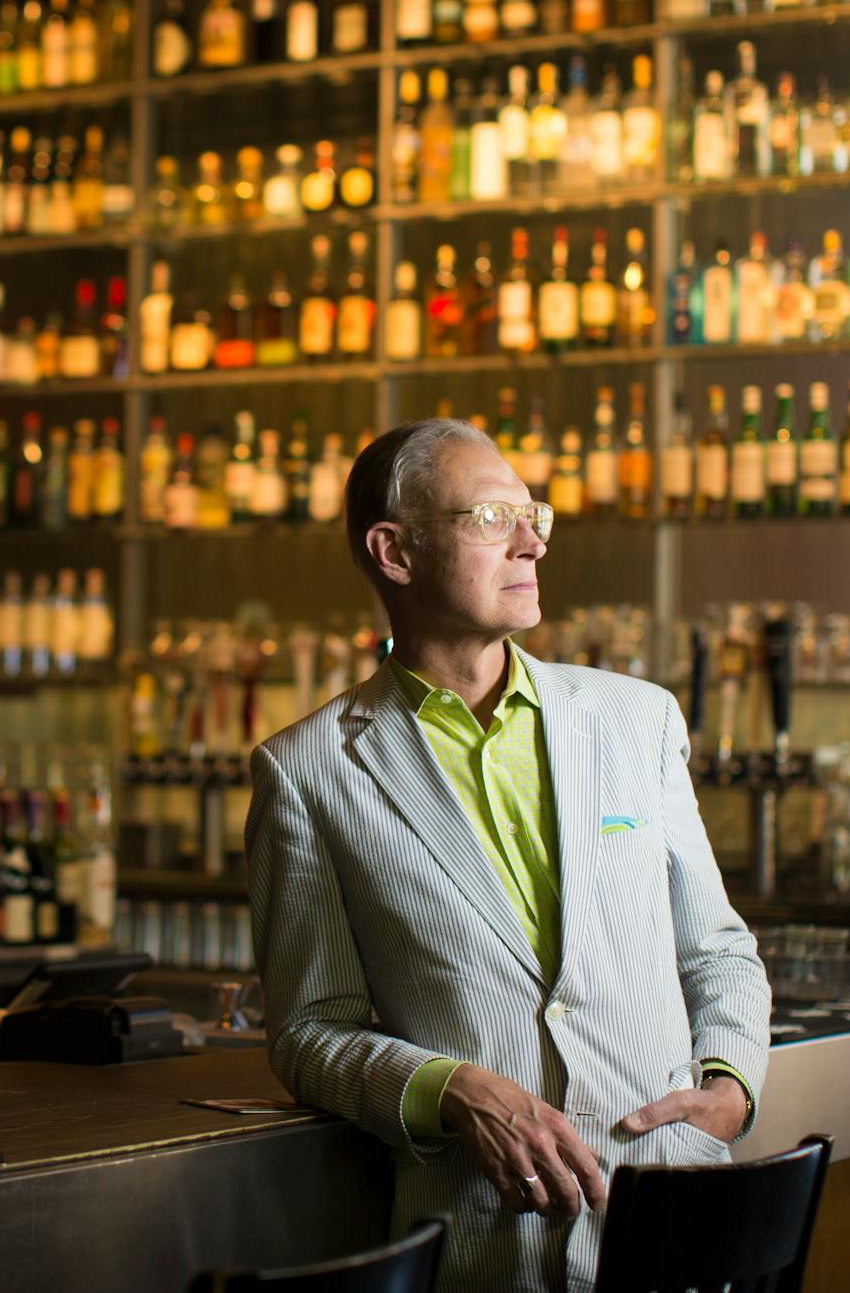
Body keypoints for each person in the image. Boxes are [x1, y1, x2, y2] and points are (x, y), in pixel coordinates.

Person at [246, 419, 770, 1293]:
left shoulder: (639, 721)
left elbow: (717, 947)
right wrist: (452, 1088)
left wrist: (732, 1083)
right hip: (488, 1245)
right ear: (395, 552)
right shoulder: (306, 771)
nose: (532, 541)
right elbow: (307, 1033)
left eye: (534, 515)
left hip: (674, 1222)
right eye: (491, 519)